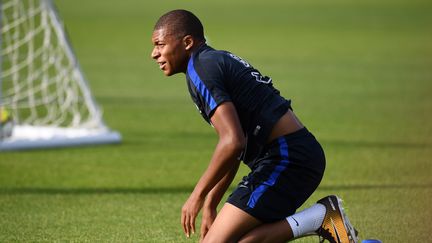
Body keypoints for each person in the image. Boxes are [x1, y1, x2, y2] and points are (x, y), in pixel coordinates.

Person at [151, 9, 358, 243]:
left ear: (187, 42)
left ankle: (321, 218)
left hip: (288, 160)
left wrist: (196, 197)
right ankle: (323, 218)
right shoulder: (208, 62)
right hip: (291, 157)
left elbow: (232, 142)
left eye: (160, 44)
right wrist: (211, 203)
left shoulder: (202, 69)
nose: (154, 54)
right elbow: (235, 146)